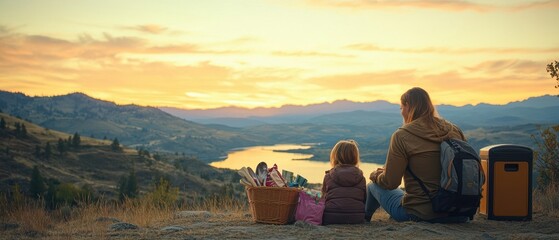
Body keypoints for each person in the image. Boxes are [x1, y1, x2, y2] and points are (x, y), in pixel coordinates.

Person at [365, 87, 468, 223]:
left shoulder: (402, 135)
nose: (401, 112)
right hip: (460, 213)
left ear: (408, 106)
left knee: (373, 186)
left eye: (401, 108)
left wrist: (375, 175)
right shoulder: (454, 130)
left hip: (421, 214)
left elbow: (390, 182)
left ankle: (363, 219)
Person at [322, 139, 366, 225]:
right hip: (357, 218)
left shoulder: (328, 177)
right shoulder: (361, 178)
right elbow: (364, 199)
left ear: (335, 157)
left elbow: (323, 198)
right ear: (355, 157)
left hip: (331, 218)